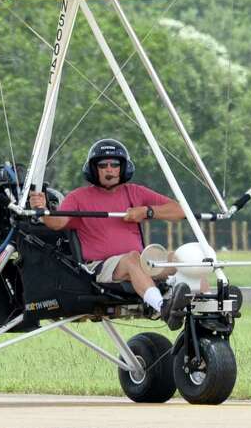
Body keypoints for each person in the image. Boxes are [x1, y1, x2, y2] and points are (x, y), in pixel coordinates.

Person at [29, 138, 191, 329]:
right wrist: (42, 209)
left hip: (140, 263)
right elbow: (57, 223)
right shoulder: (78, 197)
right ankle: (163, 307)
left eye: (114, 164)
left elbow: (181, 211)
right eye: (103, 165)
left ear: (123, 168)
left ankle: (203, 307)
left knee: (182, 258)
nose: (109, 170)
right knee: (132, 259)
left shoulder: (135, 192)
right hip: (100, 268)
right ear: (94, 169)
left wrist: (147, 211)